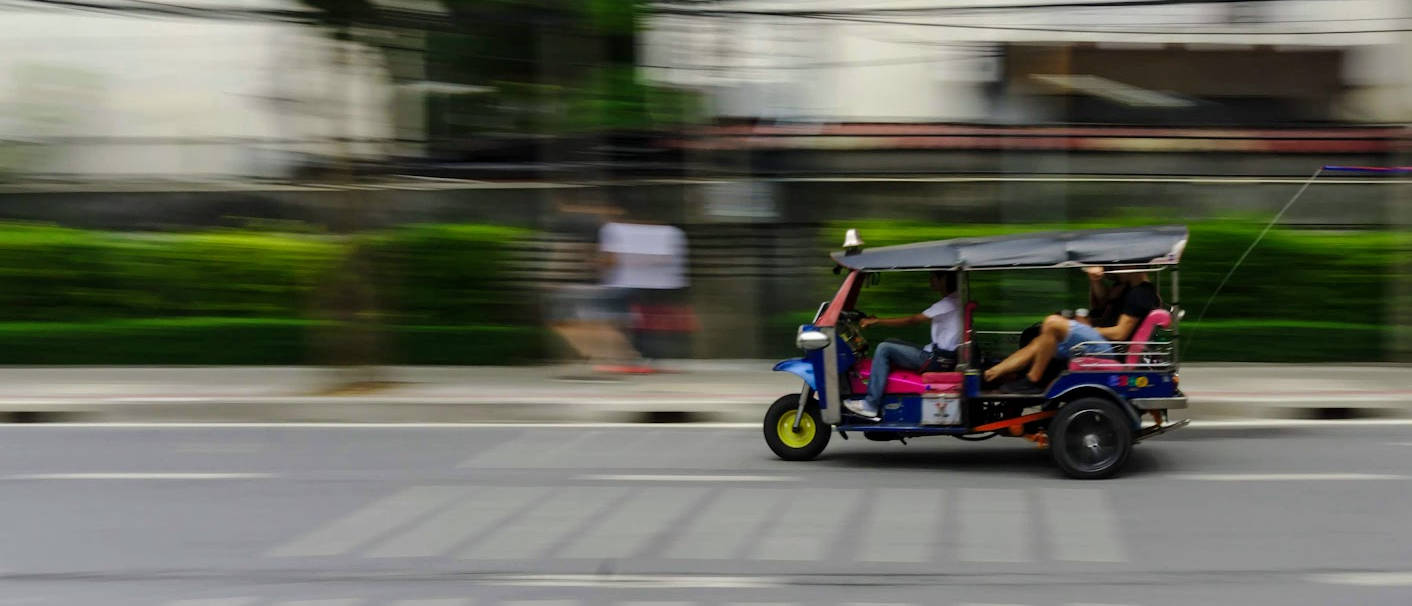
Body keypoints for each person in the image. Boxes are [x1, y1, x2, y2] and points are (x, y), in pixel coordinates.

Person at [982, 266, 1161, 395]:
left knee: (1052, 323)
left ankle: (1033, 380)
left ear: (1133, 265)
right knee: (1042, 339)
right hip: (1102, 343)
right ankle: (990, 374)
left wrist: (1087, 327)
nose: (1111, 268)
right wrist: (1095, 280)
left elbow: (1120, 333)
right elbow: (1101, 303)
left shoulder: (1140, 294)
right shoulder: (1125, 289)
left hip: (1111, 351)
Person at [843, 271, 961, 420]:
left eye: (934, 277)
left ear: (943, 279)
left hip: (937, 360)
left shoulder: (947, 303)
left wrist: (877, 321)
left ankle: (871, 404)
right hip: (938, 354)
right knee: (891, 341)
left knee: (884, 348)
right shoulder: (955, 300)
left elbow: (912, 320)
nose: (930, 280)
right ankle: (885, 391)